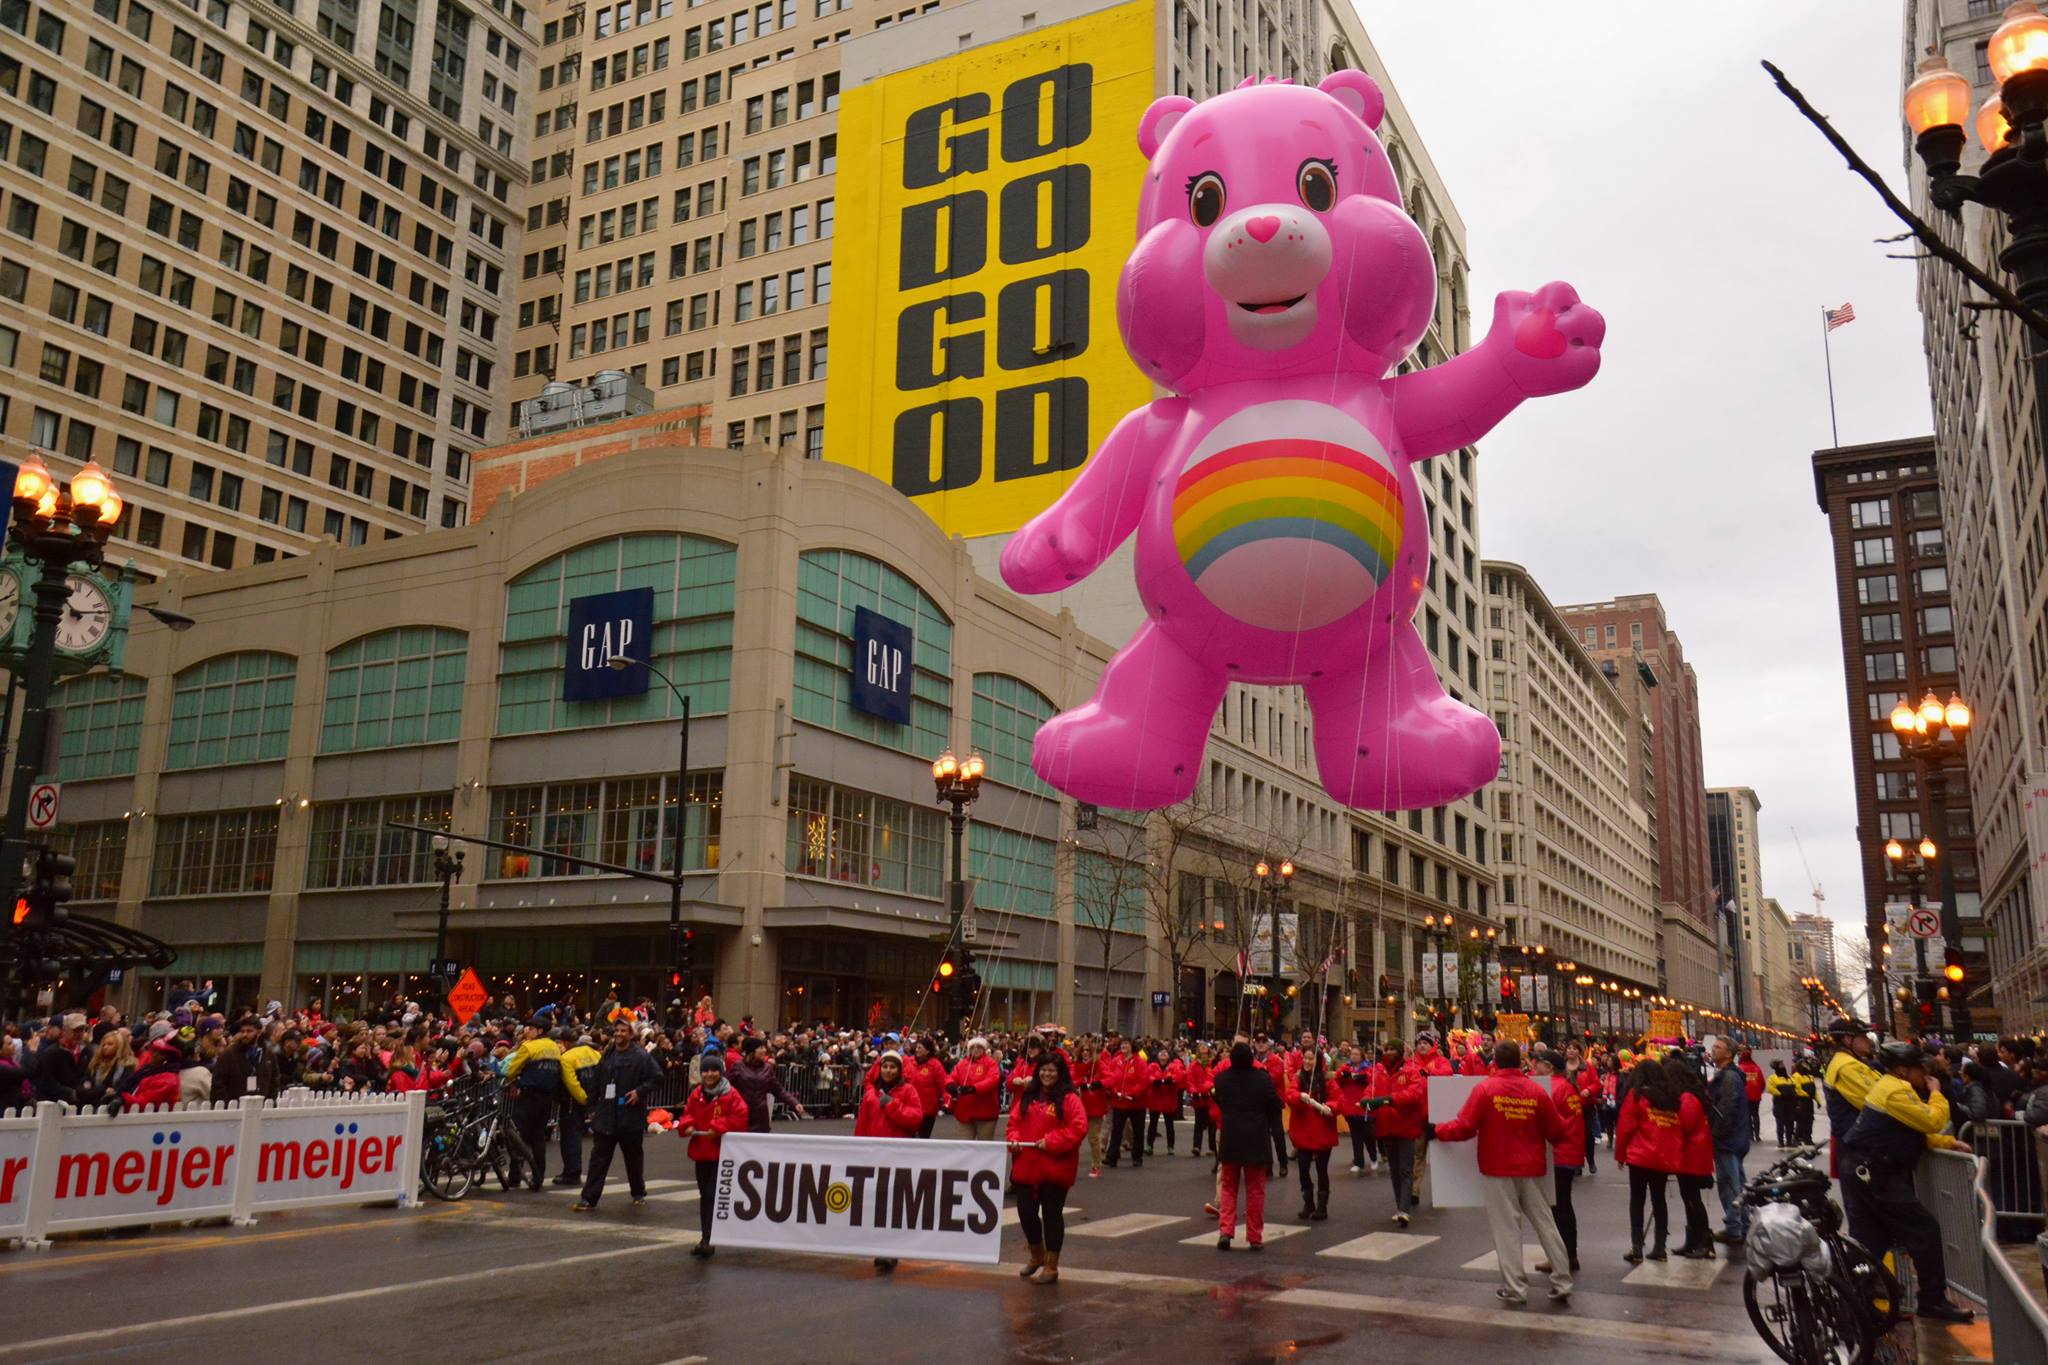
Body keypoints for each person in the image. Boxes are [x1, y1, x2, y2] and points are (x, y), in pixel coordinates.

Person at [1838, 1040, 1976, 1323]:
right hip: (1875, 1172)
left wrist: (1948, 1142)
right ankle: (1932, 1300)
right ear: (1902, 1070)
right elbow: (1931, 1121)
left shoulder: (1893, 1087)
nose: (1924, 1075)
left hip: (1865, 1169)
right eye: (1919, 1069)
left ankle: (1854, 1302)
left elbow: (1909, 1130)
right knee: (1923, 1231)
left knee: (1870, 1241)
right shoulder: (1895, 1091)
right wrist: (1937, 1094)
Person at [1434, 1041, 1574, 1307]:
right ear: (1520, 1061)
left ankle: (1515, 1287)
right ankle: (1563, 1279)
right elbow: (1557, 1131)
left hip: (1497, 1167)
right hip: (1532, 1168)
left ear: (1495, 1061)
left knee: (1507, 1229)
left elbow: (1465, 1127)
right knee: (1546, 1224)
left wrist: (1439, 1130)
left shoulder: (1485, 1089)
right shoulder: (1536, 1090)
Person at [1008, 1051, 1089, 1285]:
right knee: (1026, 1214)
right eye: (1043, 1069)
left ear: (1060, 1072)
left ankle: (1052, 1265)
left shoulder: (1069, 1099)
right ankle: (1037, 1255)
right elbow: (1014, 1123)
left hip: (1054, 1168)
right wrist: (1013, 1139)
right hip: (1026, 1166)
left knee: (1052, 1216)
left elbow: (1078, 1127)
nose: (1047, 1074)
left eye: (1052, 1070)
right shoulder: (1028, 1096)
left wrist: (1051, 1141)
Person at [573, 1019, 665, 1212]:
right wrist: (591, 1106)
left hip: (629, 1116)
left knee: (633, 1159)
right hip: (606, 1115)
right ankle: (589, 1198)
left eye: (623, 1031)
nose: (618, 1034)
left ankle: (638, 1192)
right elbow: (598, 1081)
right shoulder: (608, 1054)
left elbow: (657, 1077)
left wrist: (640, 1092)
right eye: (616, 1031)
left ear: (631, 1034)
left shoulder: (641, 1057)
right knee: (598, 1159)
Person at [856, 1050, 925, 1272]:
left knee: (894, 1203)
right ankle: (879, 1245)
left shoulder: (908, 1090)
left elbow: (915, 1120)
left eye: (892, 1067)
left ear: (899, 1070)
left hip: (898, 1154)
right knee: (877, 1201)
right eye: (885, 1067)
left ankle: (891, 1248)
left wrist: (892, 1105)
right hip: (874, 1154)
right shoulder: (870, 1095)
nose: (888, 1071)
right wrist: (858, 1149)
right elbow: (863, 1125)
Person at [1212, 1040, 1285, 1250]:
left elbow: (1221, 1102)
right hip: (1256, 1137)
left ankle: (1226, 1231)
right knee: (1255, 1189)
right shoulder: (1262, 1080)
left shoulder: (1222, 1079)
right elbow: (1274, 1105)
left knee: (1228, 1187)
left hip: (1231, 1136)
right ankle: (1254, 1236)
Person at [676, 1050, 750, 1255]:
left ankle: (709, 1238)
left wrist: (717, 1127)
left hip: (722, 1154)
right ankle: (706, 1237)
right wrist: (688, 1125)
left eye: (713, 1070)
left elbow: (740, 1117)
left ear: (721, 1072)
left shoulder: (730, 1094)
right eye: (705, 1071)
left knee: (711, 1195)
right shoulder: (697, 1094)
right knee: (705, 1195)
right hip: (702, 1152)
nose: (709, 1075)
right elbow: (687, 1114)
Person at [1614, 1057, 1687, 1263]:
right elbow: (1675, 1131)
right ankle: (1660, 1247)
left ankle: (1637, 1247)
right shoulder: (1670, 1099)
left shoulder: (1637, 1096)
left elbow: (1625, 1127)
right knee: (1659, 1200)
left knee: (1637, 1201)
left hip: (1640, 1156)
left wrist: (1620, 1155)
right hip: (1662, 1157)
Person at [503, 1017, 587, 1190]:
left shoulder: (528, 1047)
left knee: (518, 1137)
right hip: (547, 1099)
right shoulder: (554, 1049)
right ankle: (538, 1176)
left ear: (540, 1030)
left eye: (531, 1028)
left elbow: (511, 1070)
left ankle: (514, 1176)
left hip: (528, 1096)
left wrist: (509, 1081)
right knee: (538, 1138)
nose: (527, 1031)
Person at [1531, 1048, 1584, 1275]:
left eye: (1538, 1062)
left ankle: (1560, 1256)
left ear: (1549, 1067)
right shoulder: (1568, 1086)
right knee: (1564, 1205)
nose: (1534, 1066)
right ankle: (1569, 1254)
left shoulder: (1552, 1087)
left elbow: (1546, 1121)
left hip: (1559, 1152)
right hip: (1570, 1150)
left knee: (1557, 1207)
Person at [1663, 1052, 1717, 1259]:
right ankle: (1693, 1239)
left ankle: (1704, 1240)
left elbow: (1683, 1126)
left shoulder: (1688, 1099)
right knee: (1689, 1199)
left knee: (1693, 1200)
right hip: (1690, 1155)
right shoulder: (1688, 1096)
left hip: (1692, 1156)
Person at [1369, 1039, 1426, 1227]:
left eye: (1393, 1049)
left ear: (1400, 1052)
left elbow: (1415, 1094)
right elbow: (1371, 1090)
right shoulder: (1378, 1071)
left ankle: (1404, 1209)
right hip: (1386, 1126)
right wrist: (1366, 1100)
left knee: (1405, 1168)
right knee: (1394, 1170)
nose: (1390, 1052)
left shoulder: (1411, 1071)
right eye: (1387, 1049)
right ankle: (1399, 1206)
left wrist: (1391, 1100)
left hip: (1405, 1126)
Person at [1706, 1038, 1751, 1245]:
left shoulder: (1729, 1078)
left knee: (1730, 1185)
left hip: (1728, 1140)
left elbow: (1726, 1109)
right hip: (1734, 1138)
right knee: (1737, 1184)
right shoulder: (1729, 1075)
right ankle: (1742, 1223)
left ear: (1729, 1054)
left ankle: (1735, 1227)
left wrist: (1716, 1133)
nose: (1713, 1050)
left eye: (1718, 1047)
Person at [1287, 1050, 1339, 1221]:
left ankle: (1322, 1205)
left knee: (1322, 1169)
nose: (1307, 1061)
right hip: (1303, 1132)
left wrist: (1329, 1106)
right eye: (1305, 1058)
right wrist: (1299, 1097)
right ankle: (1308, 1202)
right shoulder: (1298, 1078)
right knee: (1303, 1169)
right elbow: (1290, 1095)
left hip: (1322, 1130)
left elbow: (1338, 1099)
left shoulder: (1327, 1080)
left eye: (1311, 1058)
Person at [555, 1031, 604, 1187]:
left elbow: (572, 1084)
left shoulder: (566, 1058)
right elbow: (603, 1075)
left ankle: (572, 1173)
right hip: (596, 1099)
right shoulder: (594, 1053)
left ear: (565, 1042)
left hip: (573, 1102)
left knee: (570, 1137)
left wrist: (585, 1100)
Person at [728, 1034, 805, 1132]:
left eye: (764, 1047)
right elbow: (728, 1089)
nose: (764, 1050)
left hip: (761, 1117)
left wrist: (794, 1103)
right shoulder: (738, 1067)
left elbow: (779, 1090)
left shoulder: (767, 1068)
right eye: (760, 1048)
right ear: (751, 1051)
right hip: (741, 1114)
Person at [1107, 1038, 1154, 1168]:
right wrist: (1114, 1091)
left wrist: (1132, 1093)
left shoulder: (1140, 1062)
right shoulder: (1116, 1061)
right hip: (1119, 1102)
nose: (1124, 1046)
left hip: (1136, 1103)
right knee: (1116, 1131)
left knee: (1138, 1131)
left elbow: (1144, 1080)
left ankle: (1137, 1157)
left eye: (1127, 1044)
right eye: (1122, 1044)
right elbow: (1110, 1077)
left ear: (1132, 1047)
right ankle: (1112, 1157)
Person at [947, 1036, 1003, 1141]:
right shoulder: (962, 1063)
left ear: (984, 1049)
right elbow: (952, 1077)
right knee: (965, 1148)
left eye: (979, 1047)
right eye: (973, 1047)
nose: (976, 1049)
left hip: (985, 1113)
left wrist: (973, 1088)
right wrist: (950, 1085)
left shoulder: (990, 1063)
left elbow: (992, 1080)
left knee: (984, 1148)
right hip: (965, 1113)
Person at [1071, 1037, 1112, 1177]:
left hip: (1096, 1106)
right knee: (1075, 1138)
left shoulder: (1099, 1064)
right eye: (1083, 1050)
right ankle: (1070, 1164)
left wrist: (1100, 1084)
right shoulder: (1076, 1065)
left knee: (1093, 1138)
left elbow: (1110, 1078)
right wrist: (1078, 1084)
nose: (1085, 1053)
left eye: (1088, 1050)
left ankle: (1096, 1165)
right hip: (1080, 1107)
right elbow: (1071, 1079)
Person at [1331, 1043, 1373, 1175]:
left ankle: (1373, 1156)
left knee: (1368, 1134)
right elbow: (1337, 1078)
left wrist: (1363, 1078)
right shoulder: (1346, 1067)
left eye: (1356, 1054)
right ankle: (1358, 1162)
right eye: (1352, 1054)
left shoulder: (1368, 1068)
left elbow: (1372, 1080)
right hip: (1350, 1105)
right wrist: (1342, 1074)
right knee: (1355, 1136)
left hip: (1363, 1105)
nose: (1353, 1056)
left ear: (1361, 1056)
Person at [1146, 1041, 1184, 1156]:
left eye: (1165, 1052)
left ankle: (1170, 1146)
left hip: (1168, 1098)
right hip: (1155, 1098)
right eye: (1161, 1052)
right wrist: (1154, 1081)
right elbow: (1147, 1076)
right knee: (1153, 1123)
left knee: (1169, 1124)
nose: (1163, 1054)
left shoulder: (1173, 1066)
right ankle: (1149, 1145)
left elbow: (1179, 1076)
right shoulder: (1152, 1066)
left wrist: (1171, 1080)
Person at [906, 1037, 948, 1139]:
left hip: (927, 1110)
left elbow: (944, 1084)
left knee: (923, 1138)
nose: (917, 1050)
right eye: (917, 1047)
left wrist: (947, 1102)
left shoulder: (935, 1065)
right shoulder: (908, 1062)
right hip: (909, 1108)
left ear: (928, 1050)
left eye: (920, 1048)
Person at [1184, 1045, 1218, 1159]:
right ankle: (1196, 1146)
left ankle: (1212, 1147)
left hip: (1209, 1097)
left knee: (1211, 1124)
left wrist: (1207, 1090)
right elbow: (1190, 1079)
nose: (1203, 1050)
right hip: (1198, 1098)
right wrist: (1194, 1091)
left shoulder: (1212, 1064)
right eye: (1201, 1048)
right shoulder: (1194, 1064)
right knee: (1198, 1123)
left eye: (1205, 1048)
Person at [1737, 1047, 1766, 1143]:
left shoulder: (1739, 1068)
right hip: (1756, 1096)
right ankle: (1757, 1135)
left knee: (1747, 1115)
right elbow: (1762, 1083)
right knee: (1755, 1114)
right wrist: (1759, 1091)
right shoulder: (1756, 1068)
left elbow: (1737, 1082)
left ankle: (1750, 1135)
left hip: (1744, 1096)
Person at [1766, 1061, 1794, 1148]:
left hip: (1790, 1103)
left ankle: (1789, 1141)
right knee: (1780, 1123)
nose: (1783, 1067)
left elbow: (1795, 1087)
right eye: (1781, 1065)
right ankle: (1781, 1141)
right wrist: (1780, 1093)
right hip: (1779, 1103)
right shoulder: (1772, 1078)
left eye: (1783, 1065)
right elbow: (1770, 1089)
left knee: (1790, 1123)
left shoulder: (1789, 1078)